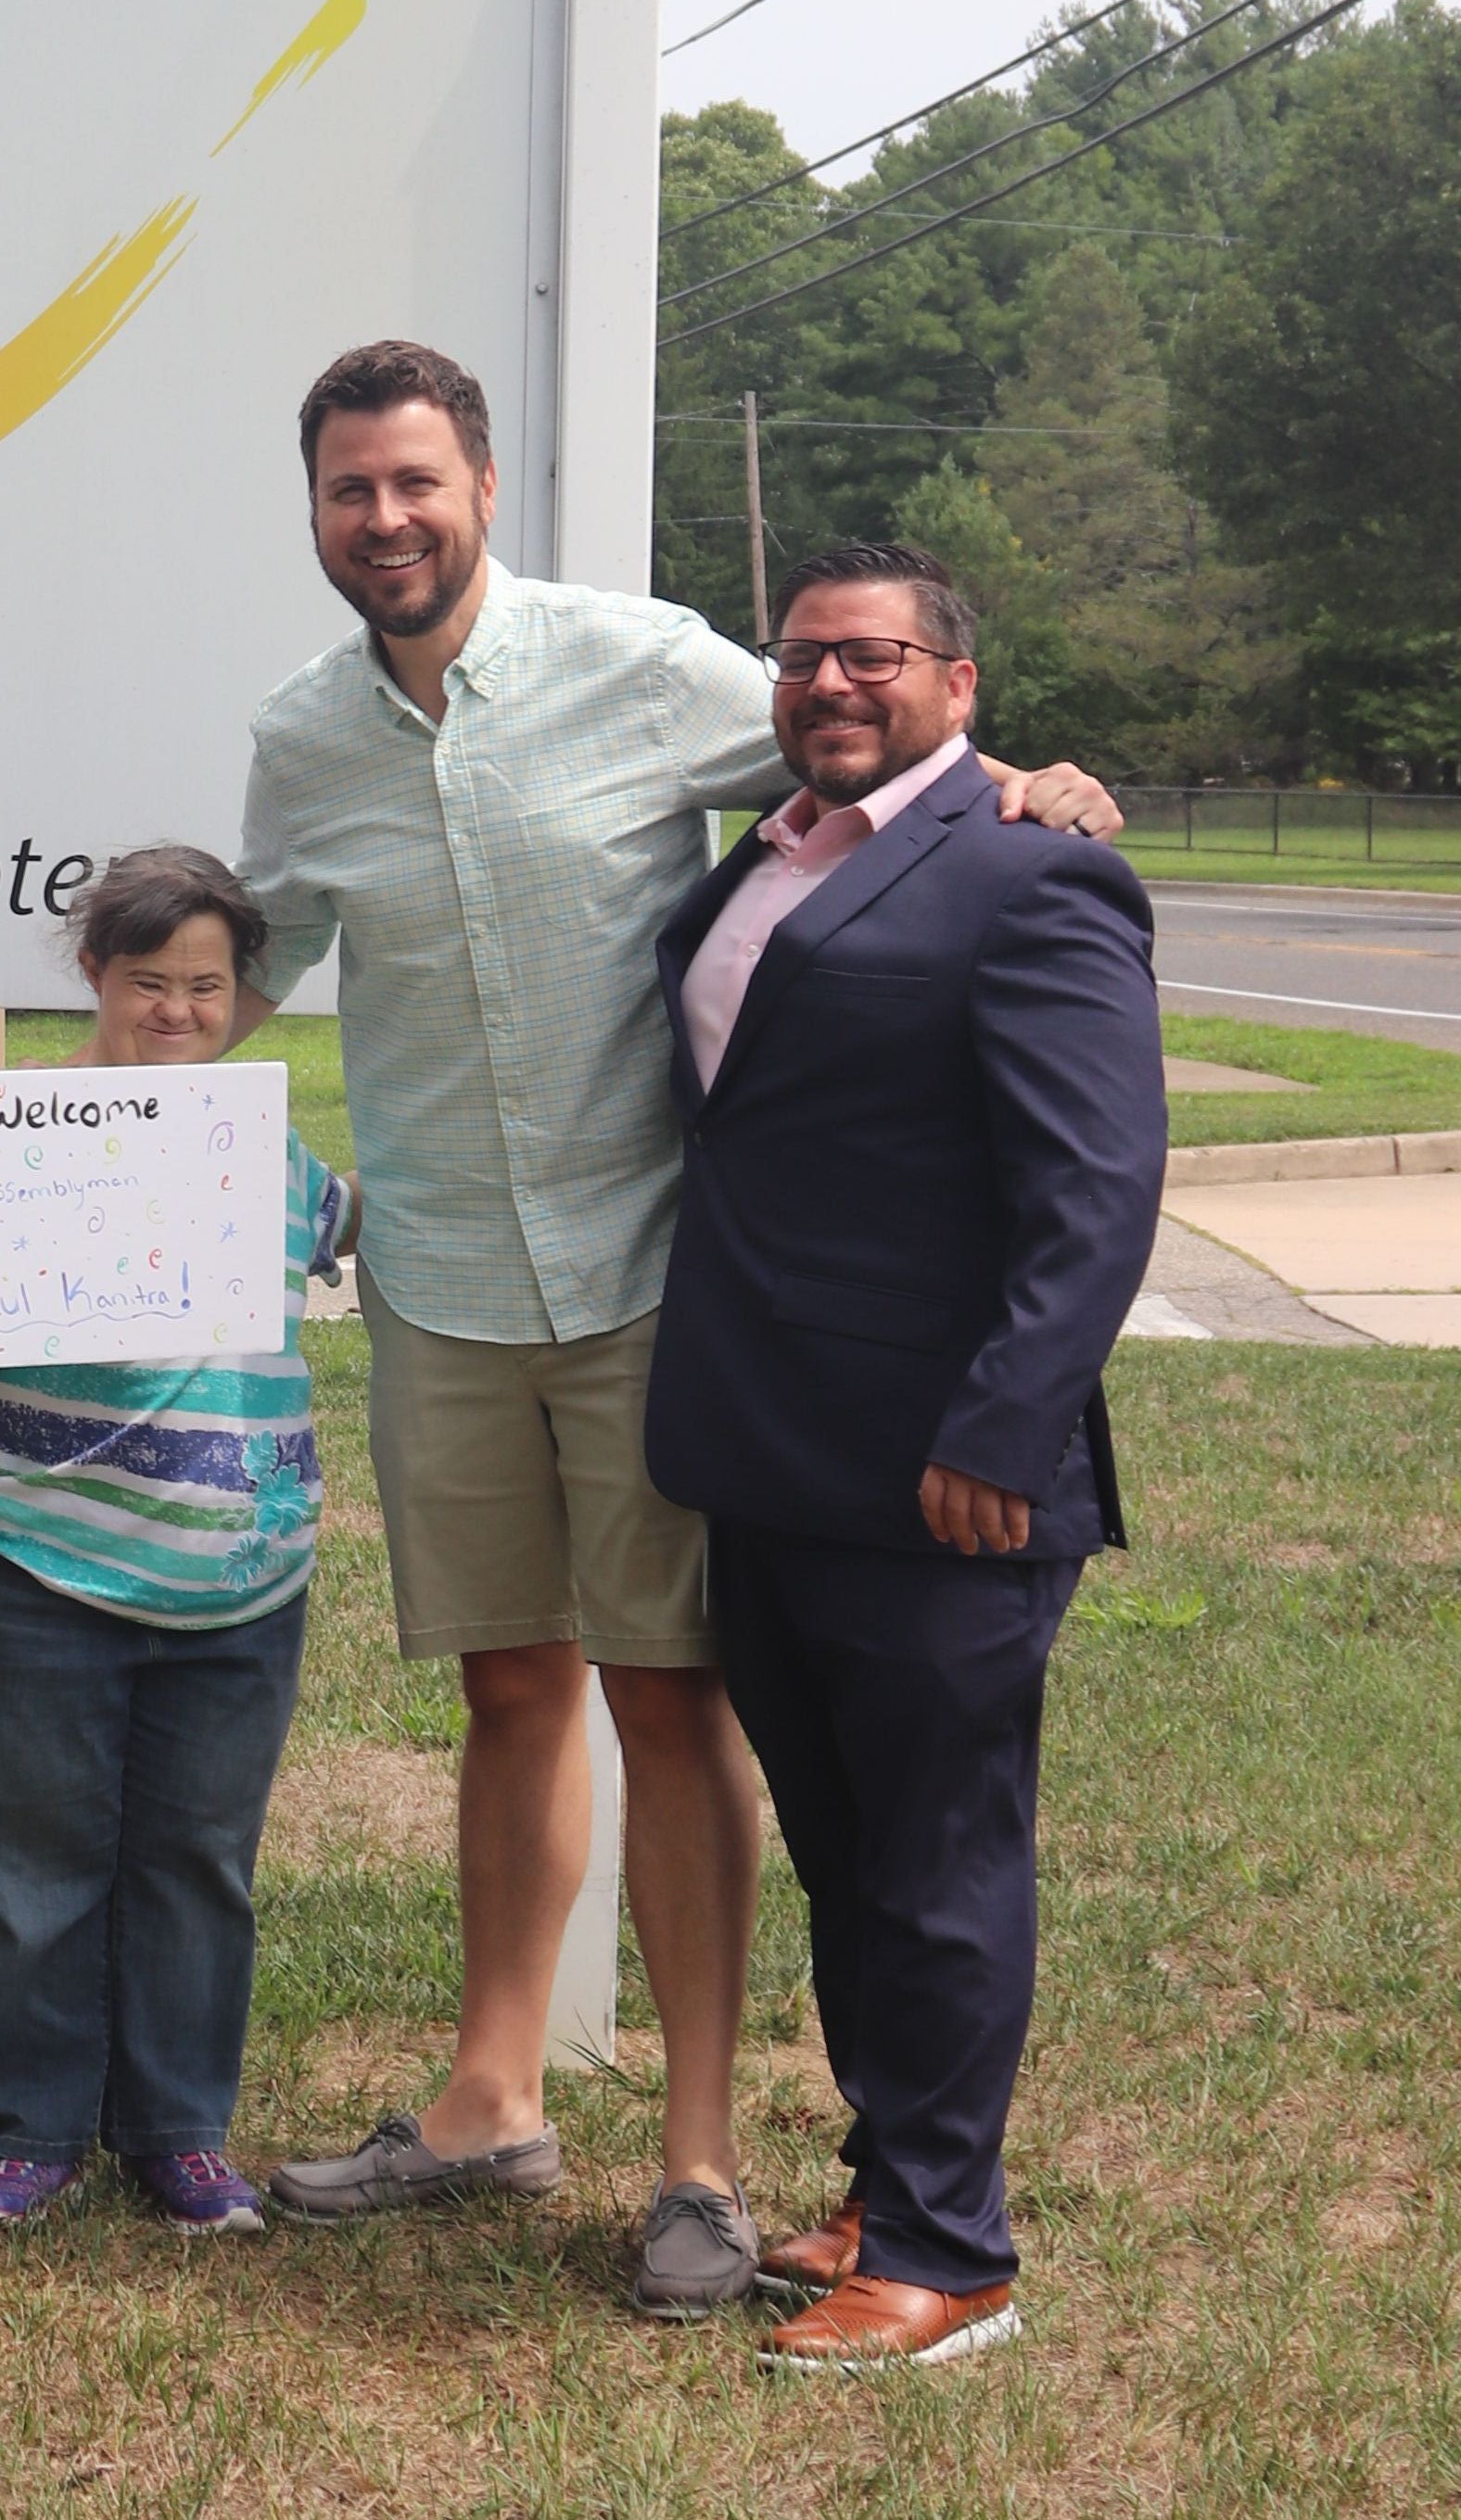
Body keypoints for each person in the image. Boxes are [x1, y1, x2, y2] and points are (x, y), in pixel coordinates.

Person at [235, 340, 1123, 2315]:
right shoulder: (297, 740)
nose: (382, 520)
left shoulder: (643, 665)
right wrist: (81, 1150)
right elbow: (232, 969)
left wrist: (1018, 781)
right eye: (344, 492)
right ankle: (485, 2100)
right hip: (442, 1288)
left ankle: (699, 2165)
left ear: (475, 486)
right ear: (310, 513)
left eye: (412, 484)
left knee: (667, 1697)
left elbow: (864, 739)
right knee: (504, 1690)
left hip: (655, 1289)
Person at [647, 542, 1162, 2371]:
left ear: (956, 683)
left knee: (940, 1859)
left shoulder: (1029, 873)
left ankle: (953, 2260)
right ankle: (886, 2176)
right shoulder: (771, 858)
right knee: (848, 1848)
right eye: (796, 661)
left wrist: (1002, 1425)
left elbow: (1091, 1190)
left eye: (866, 658)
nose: (823, 685)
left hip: (944, 1472)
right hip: (766, 1457)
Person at [0, 850, 357, 2233]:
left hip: (239, 1575)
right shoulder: (17, 1135)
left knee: (198, 1865)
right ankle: (31, 2130)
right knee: (31, 1862)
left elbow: (383, 1243)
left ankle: (178, 2131)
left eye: (207, 985)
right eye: (149, 979)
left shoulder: (276, 1153)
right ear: (95, 974)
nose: (177, 1009)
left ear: (243, 992)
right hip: (26, 1556)